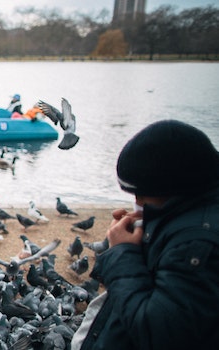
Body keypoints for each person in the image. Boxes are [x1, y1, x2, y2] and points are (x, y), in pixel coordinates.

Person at [71, 119, 219, 349]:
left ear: (171, 187)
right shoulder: (188, 213)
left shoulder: (196, 243)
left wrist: (122, 252)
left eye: (141, 193)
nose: (137, 202)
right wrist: (146, 235)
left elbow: (158, 333)